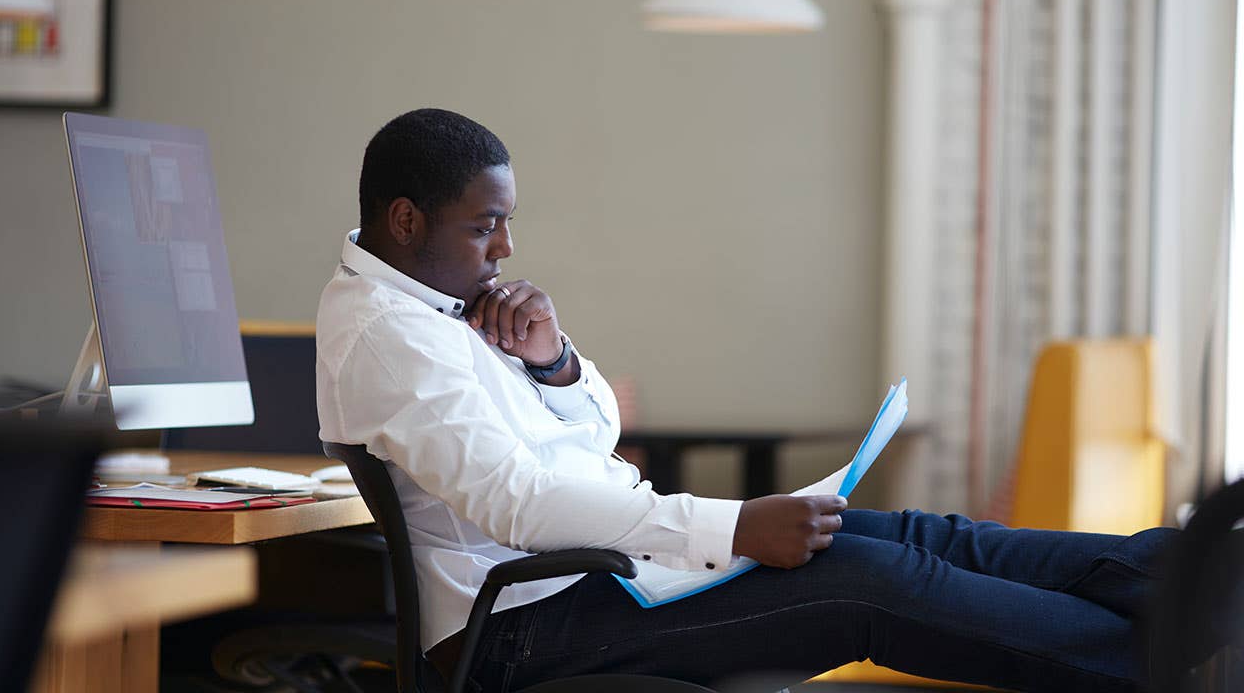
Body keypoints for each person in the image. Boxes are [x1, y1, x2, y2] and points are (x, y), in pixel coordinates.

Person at [315, 108, 1174, 693]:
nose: (507, 246)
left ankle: (1192, 577)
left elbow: (595, 439)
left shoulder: (442, 304)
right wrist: (729, 529)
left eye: (505, 222)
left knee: (915, 535)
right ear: (404, 221)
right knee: (873, 581)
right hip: (526, 626)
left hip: (602, 572)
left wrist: (553, 364)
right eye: (483, 225)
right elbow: (519, 504)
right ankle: (1179, 663)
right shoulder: (391, 335)